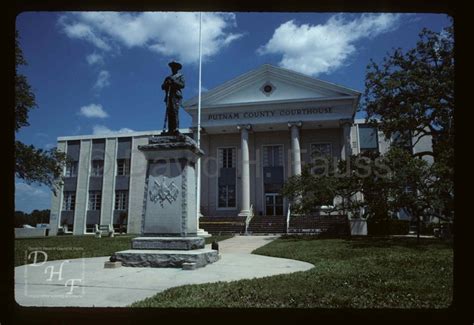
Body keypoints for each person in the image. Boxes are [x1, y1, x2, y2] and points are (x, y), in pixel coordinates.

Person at [161, 61, 185, 135]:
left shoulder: (180, 76)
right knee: (169, 113)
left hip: (176, 96)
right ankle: (170, 129)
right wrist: (166, 84)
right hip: (169, 96)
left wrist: (173, 81)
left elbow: (182, 85)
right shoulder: (168, 77)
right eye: (172, 67)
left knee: (175, 112)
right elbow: (162, 87)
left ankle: (176, 128)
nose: (173, 69)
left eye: (174, 67)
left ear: (177, 68)